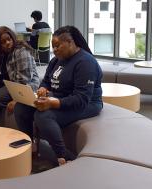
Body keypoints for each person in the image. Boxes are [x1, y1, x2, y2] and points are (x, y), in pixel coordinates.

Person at [14, 26, 103, 166]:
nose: (54, 50)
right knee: (21, 107)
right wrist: (43, 88)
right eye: (53, 47)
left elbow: (81, 99)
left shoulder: (86, 63)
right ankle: (31, 145)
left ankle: (64, 157)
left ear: (70, 42)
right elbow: (46, 80)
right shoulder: (56, 60)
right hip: (59, 97)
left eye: (57, 46)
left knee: (43, 115)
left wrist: (51, 103)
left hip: (88, 104)